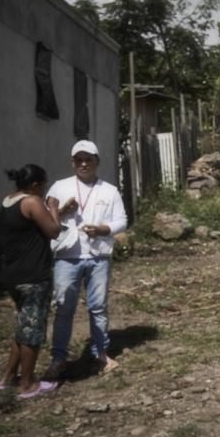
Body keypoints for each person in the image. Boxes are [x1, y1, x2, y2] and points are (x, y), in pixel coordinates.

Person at [44, 140, 128, 379]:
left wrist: (103, 229)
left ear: (96, 162)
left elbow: (122, 220)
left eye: (88, 159)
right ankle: (59, 358)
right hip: (66, 256)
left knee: (98, 307)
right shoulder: (59, 188)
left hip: (98, 256)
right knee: (63, 308)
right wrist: (63, 211)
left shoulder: (109, 190)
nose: (83, 164)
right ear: (73, 162)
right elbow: (45, 217)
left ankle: (100, 354)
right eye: (79, 160)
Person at [0, 164, 62, 398]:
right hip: (33, 276)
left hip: (12, 275)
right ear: (35, 185)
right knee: (33, 332)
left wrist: (55, 210)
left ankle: (7, 378)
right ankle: (27, 384)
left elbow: (32, 228)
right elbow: (54, 231)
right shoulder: (32, 202)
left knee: (22, 328)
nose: (44, 190)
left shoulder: (9, 201)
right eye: (43, 185)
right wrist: (53, 207)